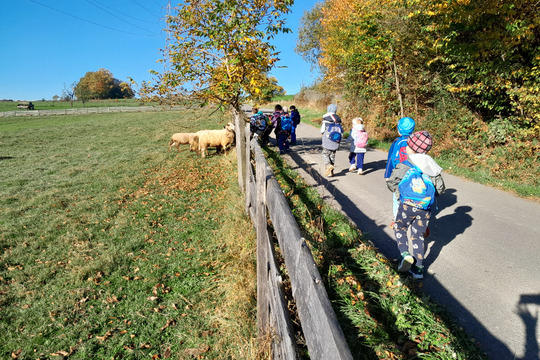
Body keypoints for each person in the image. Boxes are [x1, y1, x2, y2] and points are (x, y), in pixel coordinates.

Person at [386, 131, 445, 279]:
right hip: (424, 208)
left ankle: (405, 255)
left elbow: (392, 182)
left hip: (407, 205)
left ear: (410, 148)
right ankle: (418, 269)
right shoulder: (432, 166)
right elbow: (440, 188)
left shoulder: (405, 164)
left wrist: (399, 194)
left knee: (400, 227)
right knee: (418, 235)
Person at [384, 117, 416, 221]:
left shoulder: (397, 142)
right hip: (413, 173)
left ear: (399, 130)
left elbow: (391, 159)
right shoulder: (415, 142)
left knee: (396, 196)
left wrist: (388, 175)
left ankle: (396, 218)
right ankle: (411, 215)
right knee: (412, 194)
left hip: (399, 173)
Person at [320, 104, 343, 177]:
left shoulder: (326, 120)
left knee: (325, 154)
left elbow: (322, 130)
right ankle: (331, 172)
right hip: (336, 140)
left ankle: (328, 165)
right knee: (332, 156)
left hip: (327, 140)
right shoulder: (338, 120)